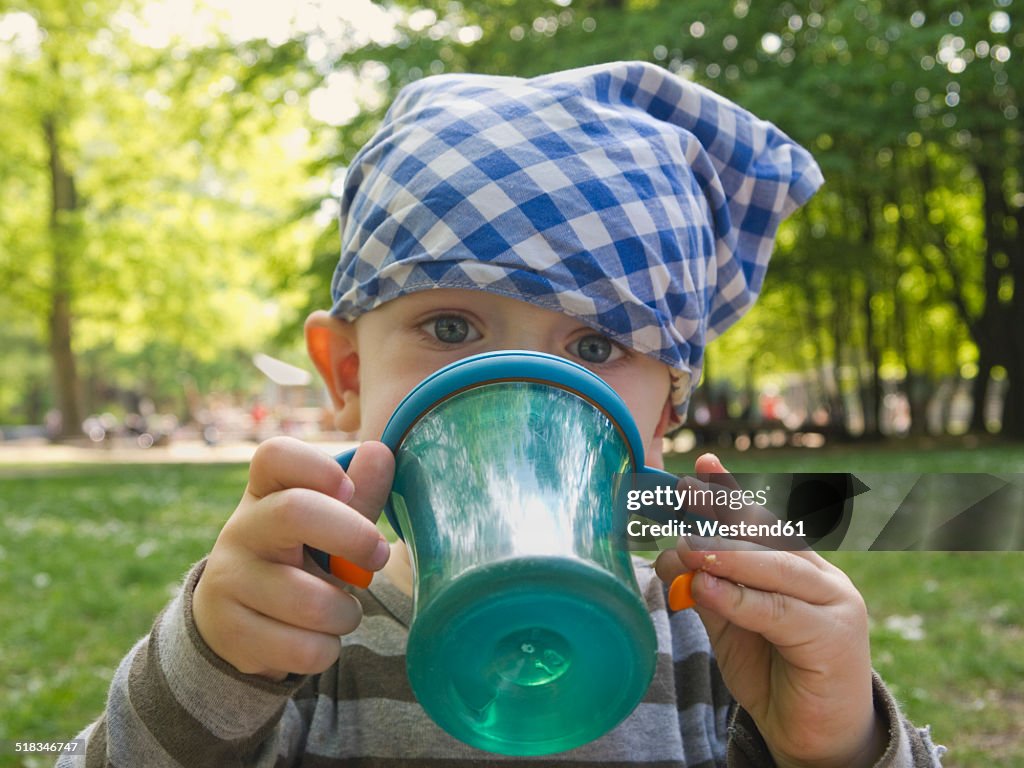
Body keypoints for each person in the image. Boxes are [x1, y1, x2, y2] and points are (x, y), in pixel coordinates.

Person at [62, 61, 945, 767]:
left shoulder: (717, 638)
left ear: (666, 413)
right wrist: (213, 665)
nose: (520, 400)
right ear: (346, 370)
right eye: (450, 327)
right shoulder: (290, 616)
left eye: (596, 349)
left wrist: (837, 743)